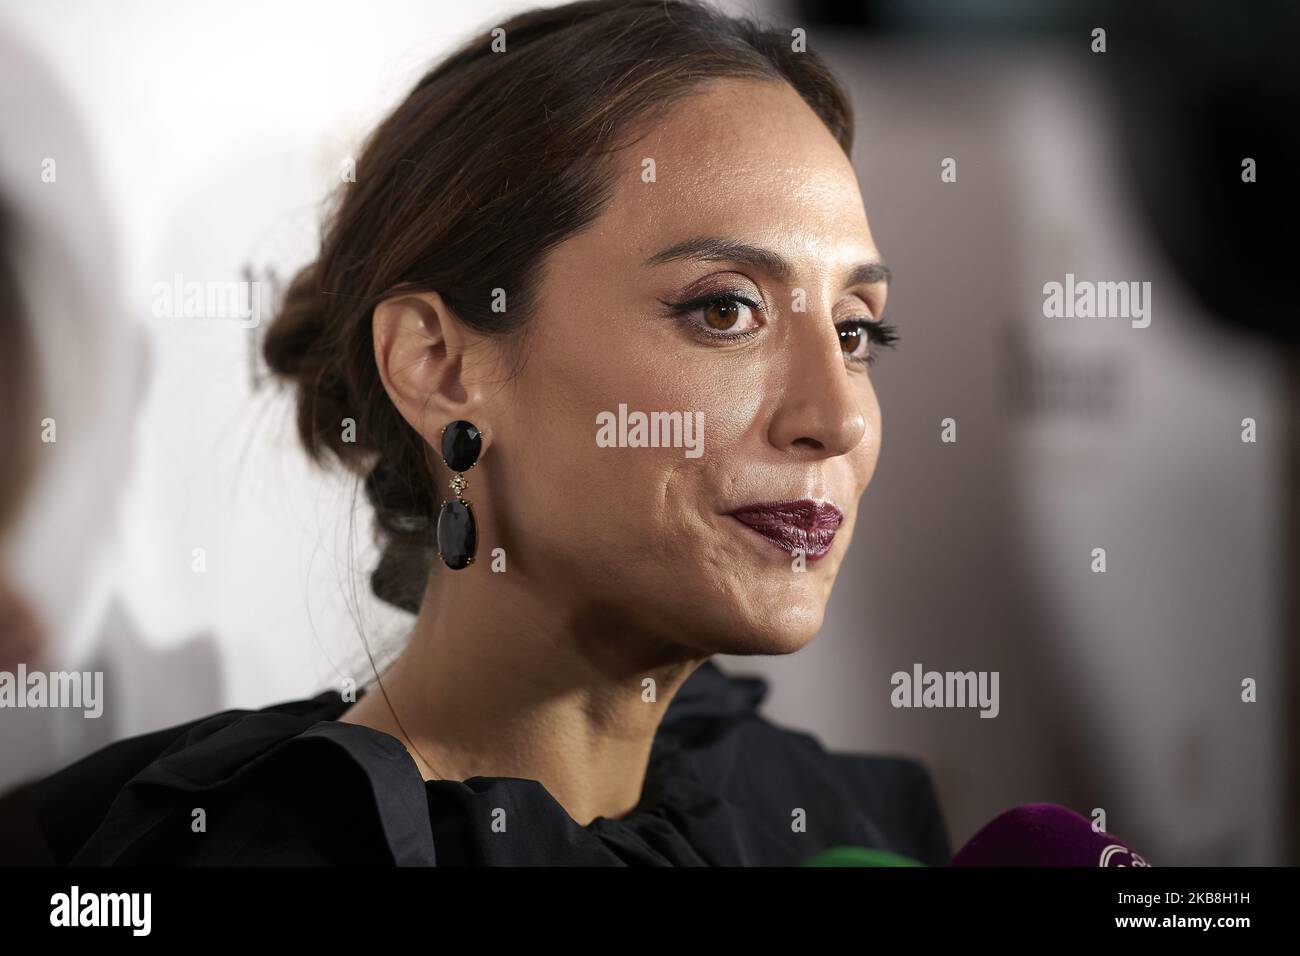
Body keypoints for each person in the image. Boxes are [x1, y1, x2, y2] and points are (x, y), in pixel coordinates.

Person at [1, 0, 950, 866]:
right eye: (725, 311)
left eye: (856, 330)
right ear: (440, 367)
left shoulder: (844, 817)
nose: (839, 418)